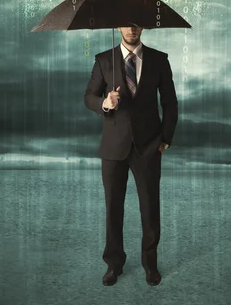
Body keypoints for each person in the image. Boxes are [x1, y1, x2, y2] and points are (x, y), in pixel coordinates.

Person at [84, 25, 178, 286]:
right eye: (126, 23)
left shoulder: (159, 60)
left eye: (137, 23)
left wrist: (166, 138)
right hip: (113, 148)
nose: (132, 29)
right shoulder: (104, 60)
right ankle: (114, 265)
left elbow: (170, 102)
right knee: (113, 208)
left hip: (149, 146)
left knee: (150, 208)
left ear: (143, 27)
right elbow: (88, 96)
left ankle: (150, 264)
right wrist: (105, 102)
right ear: (119, 26)